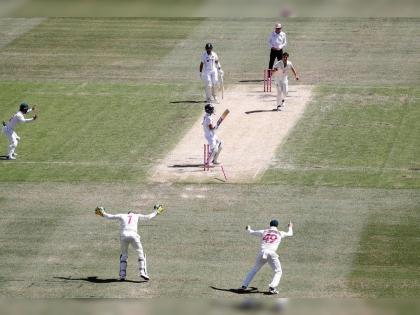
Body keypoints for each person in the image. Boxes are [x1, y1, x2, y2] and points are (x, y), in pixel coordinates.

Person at [94, 204, 165, 281]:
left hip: (124, 236)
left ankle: (122, 275)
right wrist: (156, 211)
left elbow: (110, 216)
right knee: (140, 253)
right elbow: (148, 217)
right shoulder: (136, 216)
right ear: (133, 213)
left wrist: (102, 213)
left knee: (124, 255)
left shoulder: (122, 215)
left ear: (128, 213)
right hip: (134, 235)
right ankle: (142, 272)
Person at [238, 219, 293, 295]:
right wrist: (290, 226)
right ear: (277, 226)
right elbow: (290, 233)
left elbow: (252, 232)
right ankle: (272, 287)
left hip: (262, 253)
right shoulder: (280, 233)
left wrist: (249, 229)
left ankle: (244, 286)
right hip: (271, 254)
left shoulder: (264, 231)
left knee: (254, 270)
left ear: (270, 225)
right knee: (278, 271)